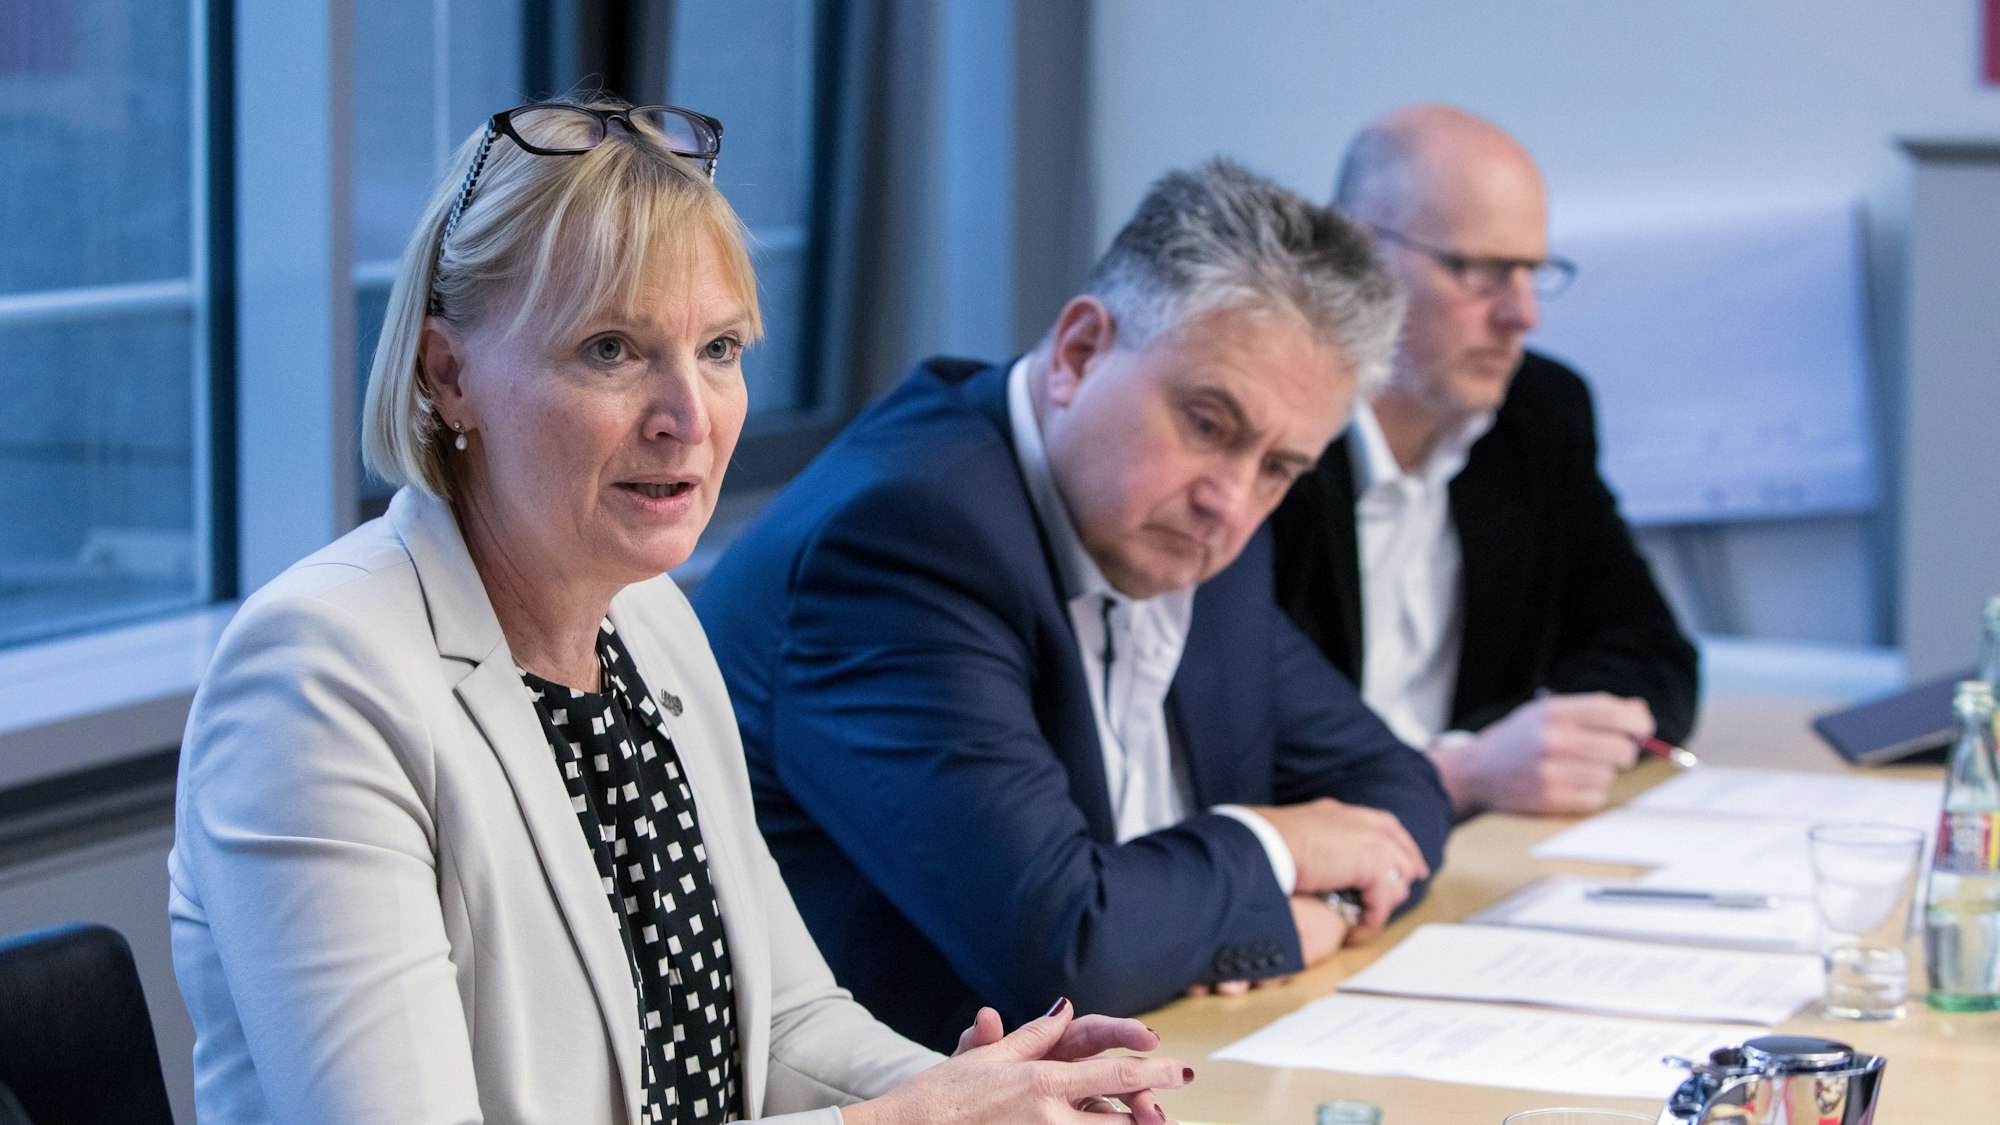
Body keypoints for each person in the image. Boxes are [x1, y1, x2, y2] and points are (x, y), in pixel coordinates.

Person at [167, 96, 1191, 1125]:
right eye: (610, 350)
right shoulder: (317, 676)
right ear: (448, 373)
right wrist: (907, 1123)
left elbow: (786, 1025)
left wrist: (995, 1095)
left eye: (719, 349)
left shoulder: (650, 622)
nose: (687, 418)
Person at [695, 158, 1453, 1051]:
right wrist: (1277, 853)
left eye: (1281, 467)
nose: (1235, 500)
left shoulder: (1188, 528)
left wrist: (1308, 898)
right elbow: (1064, 949)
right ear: (1080, 351)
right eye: (1209, 423)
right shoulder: (905, 537)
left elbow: (1400, 792)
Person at [1269, 105, 1699, 820]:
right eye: (1480, 273)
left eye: (1532, 272)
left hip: (1475, 844)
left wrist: (1550, 739)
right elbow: (1235, 736)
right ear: (1355, 250)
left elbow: (1652, 653)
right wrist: (1464, 769)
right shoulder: (1270, 437)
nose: (1522, 315)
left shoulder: (1538, 412)